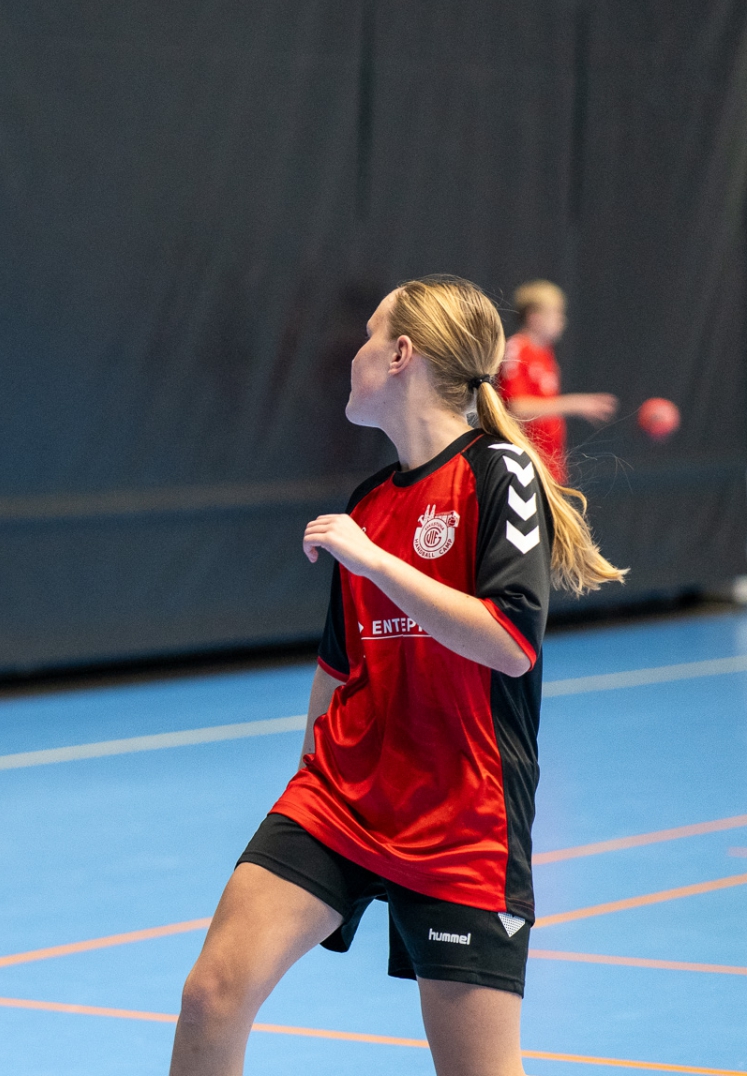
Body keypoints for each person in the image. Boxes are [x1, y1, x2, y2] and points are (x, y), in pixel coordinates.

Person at [167, 275, 624, 1076]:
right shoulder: (370, 501)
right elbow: (338, 668)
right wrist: (306, 782)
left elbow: (510, 641)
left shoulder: (499, 473)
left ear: (401, 353)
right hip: (340, 796)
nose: (355, 354)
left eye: (369, 336)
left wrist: (376, 561)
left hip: (461, 814)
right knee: (212, 995)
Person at [497, 279, 617, 483]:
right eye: (556, 313)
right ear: (534, 317)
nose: (562, 320)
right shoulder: (517, 348)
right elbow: (516, 407)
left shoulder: (546, 354)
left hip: (550, 467)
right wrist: (576, 404)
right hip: (524, 466)